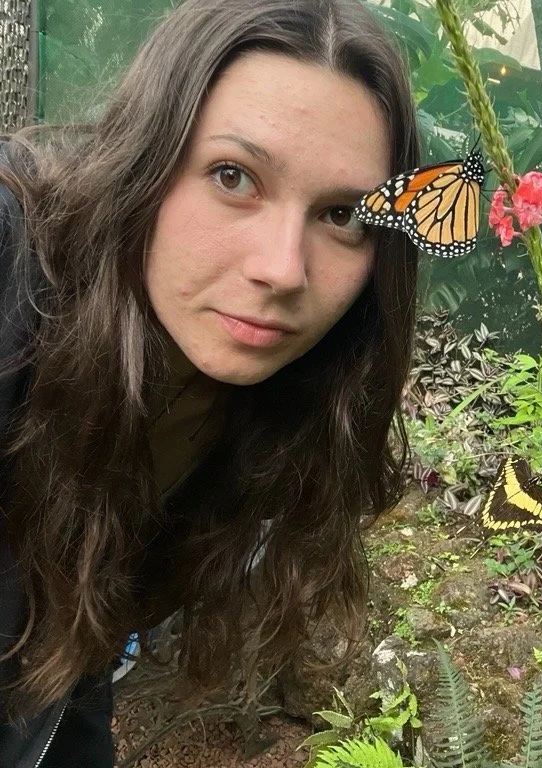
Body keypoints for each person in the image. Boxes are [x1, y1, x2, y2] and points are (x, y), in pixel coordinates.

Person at [0, 0, 419, 764]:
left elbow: (67, 672)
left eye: (344, 215)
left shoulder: (279, 410)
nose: (283, 269)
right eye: (234, 176)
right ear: (144, 161)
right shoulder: (12, 257)